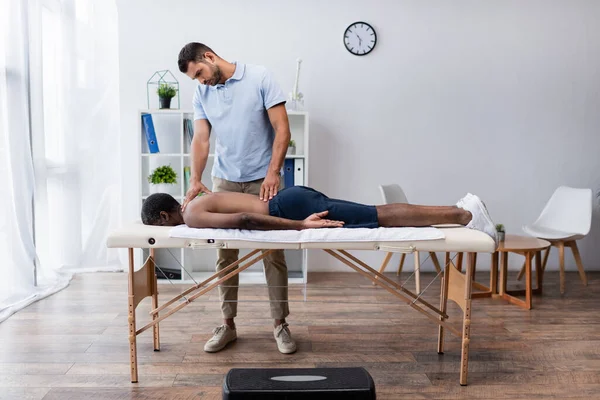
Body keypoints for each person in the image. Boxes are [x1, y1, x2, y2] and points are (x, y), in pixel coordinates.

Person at [177, 42, 295, 354]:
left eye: (200, 73)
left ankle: (280, 324)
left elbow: (282, 129)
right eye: (195, 78)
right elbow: (202, 139)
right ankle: (227, 325)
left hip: (262, 181)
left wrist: (274, 171)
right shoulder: (202, 93)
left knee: (273, 252)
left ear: (209, 57)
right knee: (224, 253)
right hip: (225, 181)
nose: (201, 80)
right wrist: (195, 179)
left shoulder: (260, 77)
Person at [141, 186, 498, 245]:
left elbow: (245, 221)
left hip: (289, 209)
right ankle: (460, 209)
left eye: (158, 225)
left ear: (162, 216)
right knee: (378, 213)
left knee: (380, 215)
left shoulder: (194, 216)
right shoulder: (197, 200)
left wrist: (300, 225)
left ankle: (464, 214)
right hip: (289, 198)